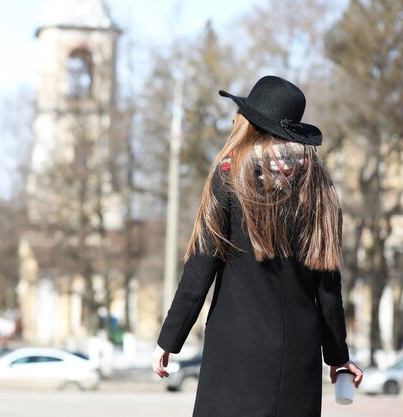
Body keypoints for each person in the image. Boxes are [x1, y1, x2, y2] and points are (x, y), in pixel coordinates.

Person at [151, 75, 363, 417]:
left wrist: (168, 340)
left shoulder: (229, 176)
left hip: (234, 355)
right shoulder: (320, 189)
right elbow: (327, 286)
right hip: (298, 357)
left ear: (248, 123)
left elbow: (201, 267)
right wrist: (338, 357)